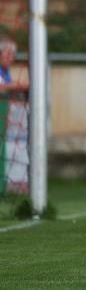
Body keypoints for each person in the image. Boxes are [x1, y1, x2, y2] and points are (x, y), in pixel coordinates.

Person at [0, 40, 29, 194]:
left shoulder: (5, 71)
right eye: (8, 53)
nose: (11, 58)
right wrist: (19, 85)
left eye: (13, 55)